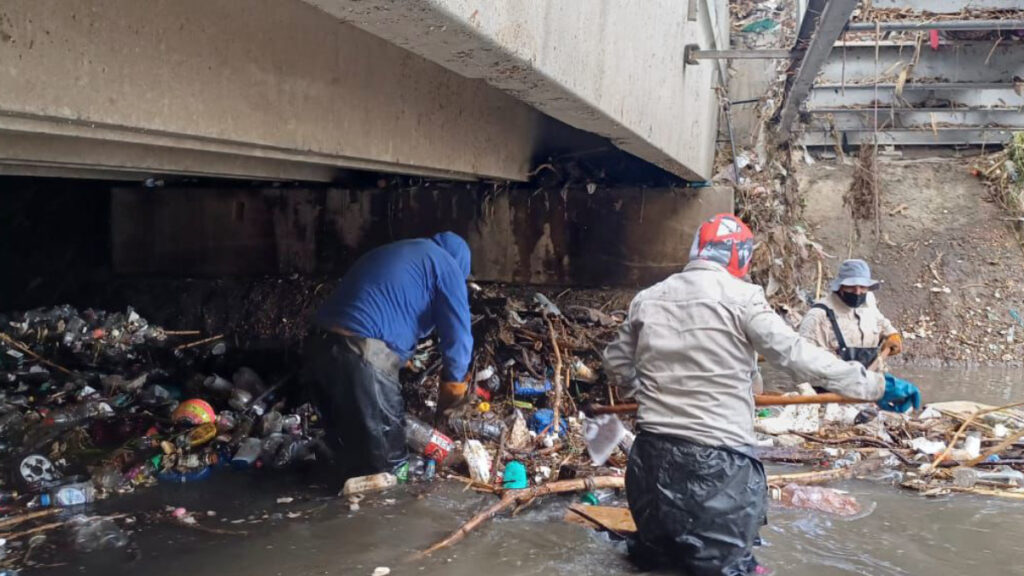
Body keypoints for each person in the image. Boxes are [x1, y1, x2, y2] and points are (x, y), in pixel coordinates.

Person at [603, 213, 920, 576]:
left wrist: (641, 392)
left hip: (650, 461)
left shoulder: (648, 298)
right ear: (741, 256)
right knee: (728, 568)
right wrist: (874, 386)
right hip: (717, 465)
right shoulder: (743, 298)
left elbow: (615, 363)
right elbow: (796, 356)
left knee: (658, 563)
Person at [303, 232, 473, 478]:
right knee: (389, 467)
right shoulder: (446, 264)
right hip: (361, 351)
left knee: (348, 452)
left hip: (317, 347)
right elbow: (459, 338)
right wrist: (452, 392)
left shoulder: (398, 252)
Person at [799, 259, 902, 368]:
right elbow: (804, 362)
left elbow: (880, 321)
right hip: (834, 377)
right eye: (851, 287)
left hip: (871, 376)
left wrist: (892, 335)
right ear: (840, 286)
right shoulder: (818, 316)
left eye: (862, 287)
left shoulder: (868, 303)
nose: (857, 292)